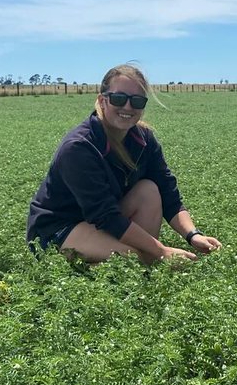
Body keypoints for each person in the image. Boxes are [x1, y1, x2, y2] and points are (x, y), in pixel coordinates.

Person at [27, 64, 222, 264]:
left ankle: (134, 258)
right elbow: (105, 215)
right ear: (102, 101)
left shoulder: (144, 140)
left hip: (101, 221)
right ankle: (119, 264)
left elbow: (168, 193)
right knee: (134, 260)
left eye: (137, 101)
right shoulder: (79, 147)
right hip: (60, 227)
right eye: (119, 98)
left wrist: (193, 235)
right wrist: (162, 250)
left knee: (149, 190)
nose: (128, 107)